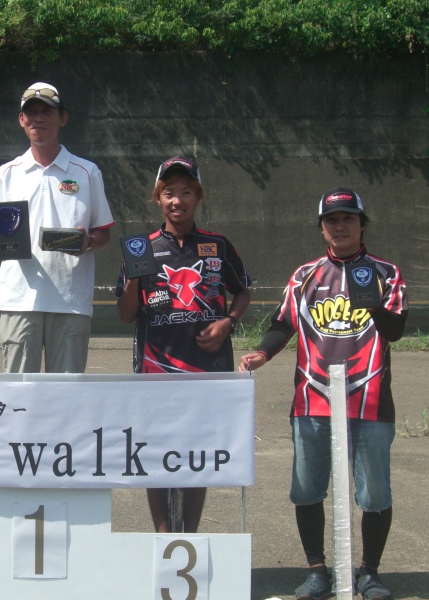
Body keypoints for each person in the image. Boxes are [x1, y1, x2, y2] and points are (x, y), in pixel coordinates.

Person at [239, 188, 408, 600]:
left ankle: (369, 573)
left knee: (374, 494)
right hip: (312, 399)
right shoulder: (305, 276)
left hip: (368, 400)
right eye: (332, 220)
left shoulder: (386, 272)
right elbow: (284, 324)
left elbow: (397, 330)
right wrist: (263, 352)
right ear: (321, 228)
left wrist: (374, 306)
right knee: (307, 488)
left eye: (348, 219)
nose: (340, 226)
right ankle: (317, 571)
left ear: (362, 224)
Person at [115, 157, 251, 533]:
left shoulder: (218, 246)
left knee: (198, 456)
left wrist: (228, 322)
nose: (178, 200)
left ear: (198, 197)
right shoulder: (141, 247)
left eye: (186, 192)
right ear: (158, 198)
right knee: (156, 453)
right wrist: (133, 282)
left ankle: (188, 535)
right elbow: (126, 315)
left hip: (207, 373)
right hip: (156, 371)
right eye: (169, 193)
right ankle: (162, 533)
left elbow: (243, 293)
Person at [0, 81, 114, 374]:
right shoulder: (7, 173)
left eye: (46, 111)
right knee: (18, 397)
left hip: (71, 302)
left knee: (66, 401)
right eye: (31, 113)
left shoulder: (87, 171)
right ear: (21, 120)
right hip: (18, 300)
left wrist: (87, 242)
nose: (37, 118)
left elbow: (104, 232)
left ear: (62, 118)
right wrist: (1, 240)